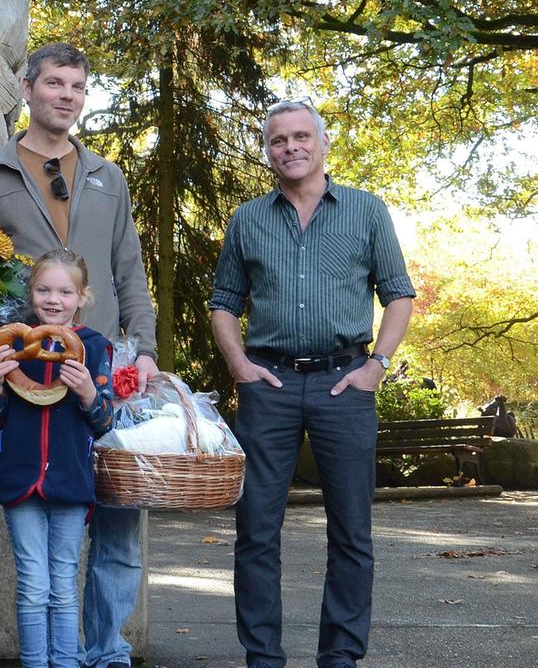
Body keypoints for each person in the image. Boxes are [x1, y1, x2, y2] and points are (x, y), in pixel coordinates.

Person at [0, 42, 157, 668]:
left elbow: (130, 270)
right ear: (27, 89)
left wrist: (144, 348)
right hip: (25, 385)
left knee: (118, 527)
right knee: (42, 548)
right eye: (54, 84)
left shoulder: (107, 176)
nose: (65, 96)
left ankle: (105, 650)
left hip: (99, 378)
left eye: (76, 87)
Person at [207, 97, 415, 668]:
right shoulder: (247, 219)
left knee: (351, 530)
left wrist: (378, 365)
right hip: (267, 387)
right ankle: (262, 658)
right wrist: (237, 365)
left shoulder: (367, 212)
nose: (291, 148)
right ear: (267, 151)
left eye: (302, 137)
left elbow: (398, 293)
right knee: (255, 530)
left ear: (323, 144)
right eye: (279, 140)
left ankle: (341, 655)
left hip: (345, 383)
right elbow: (224, 302)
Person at [0, 250, 116, 668]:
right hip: (21, 482)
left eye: (64, 291)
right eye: (43, 289)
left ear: (82, 296)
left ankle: (64, 662)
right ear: (31, 292)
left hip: (71, 483)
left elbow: (104, 422)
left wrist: (88, 395)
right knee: (32, 585)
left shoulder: (93, 348)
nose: (53, 299)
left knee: (62, 584)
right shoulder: (16, 346)